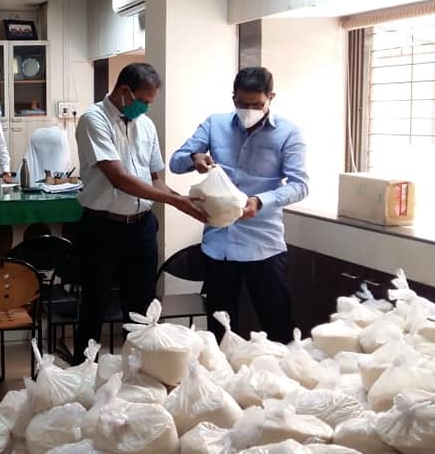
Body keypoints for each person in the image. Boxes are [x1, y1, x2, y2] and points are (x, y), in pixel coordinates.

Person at [73, 63, 207, 360]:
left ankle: (138, 373)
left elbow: (155, 179)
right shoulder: (94, 120)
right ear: (124, 92)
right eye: (143, 101)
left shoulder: (145, 125)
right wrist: (175, 202)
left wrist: (186, 200)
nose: (146, 108)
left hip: (141, 227)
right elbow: (118, 178)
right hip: (102, 228)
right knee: (95, 304)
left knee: (141, 306)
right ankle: (83, 375)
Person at [169, 66, 308, 344]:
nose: (248, 110)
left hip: (263, 245)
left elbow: (300, 185)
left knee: (277, 323)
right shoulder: (215, 124)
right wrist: (195, 157)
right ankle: (217, 384)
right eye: (241, 104)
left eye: (256, 105)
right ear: (233, 97)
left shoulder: (289, 133)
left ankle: (280, 383)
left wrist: (260, 201)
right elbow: (176, 161)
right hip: (219, 245)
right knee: (219, 328)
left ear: (271, 97)